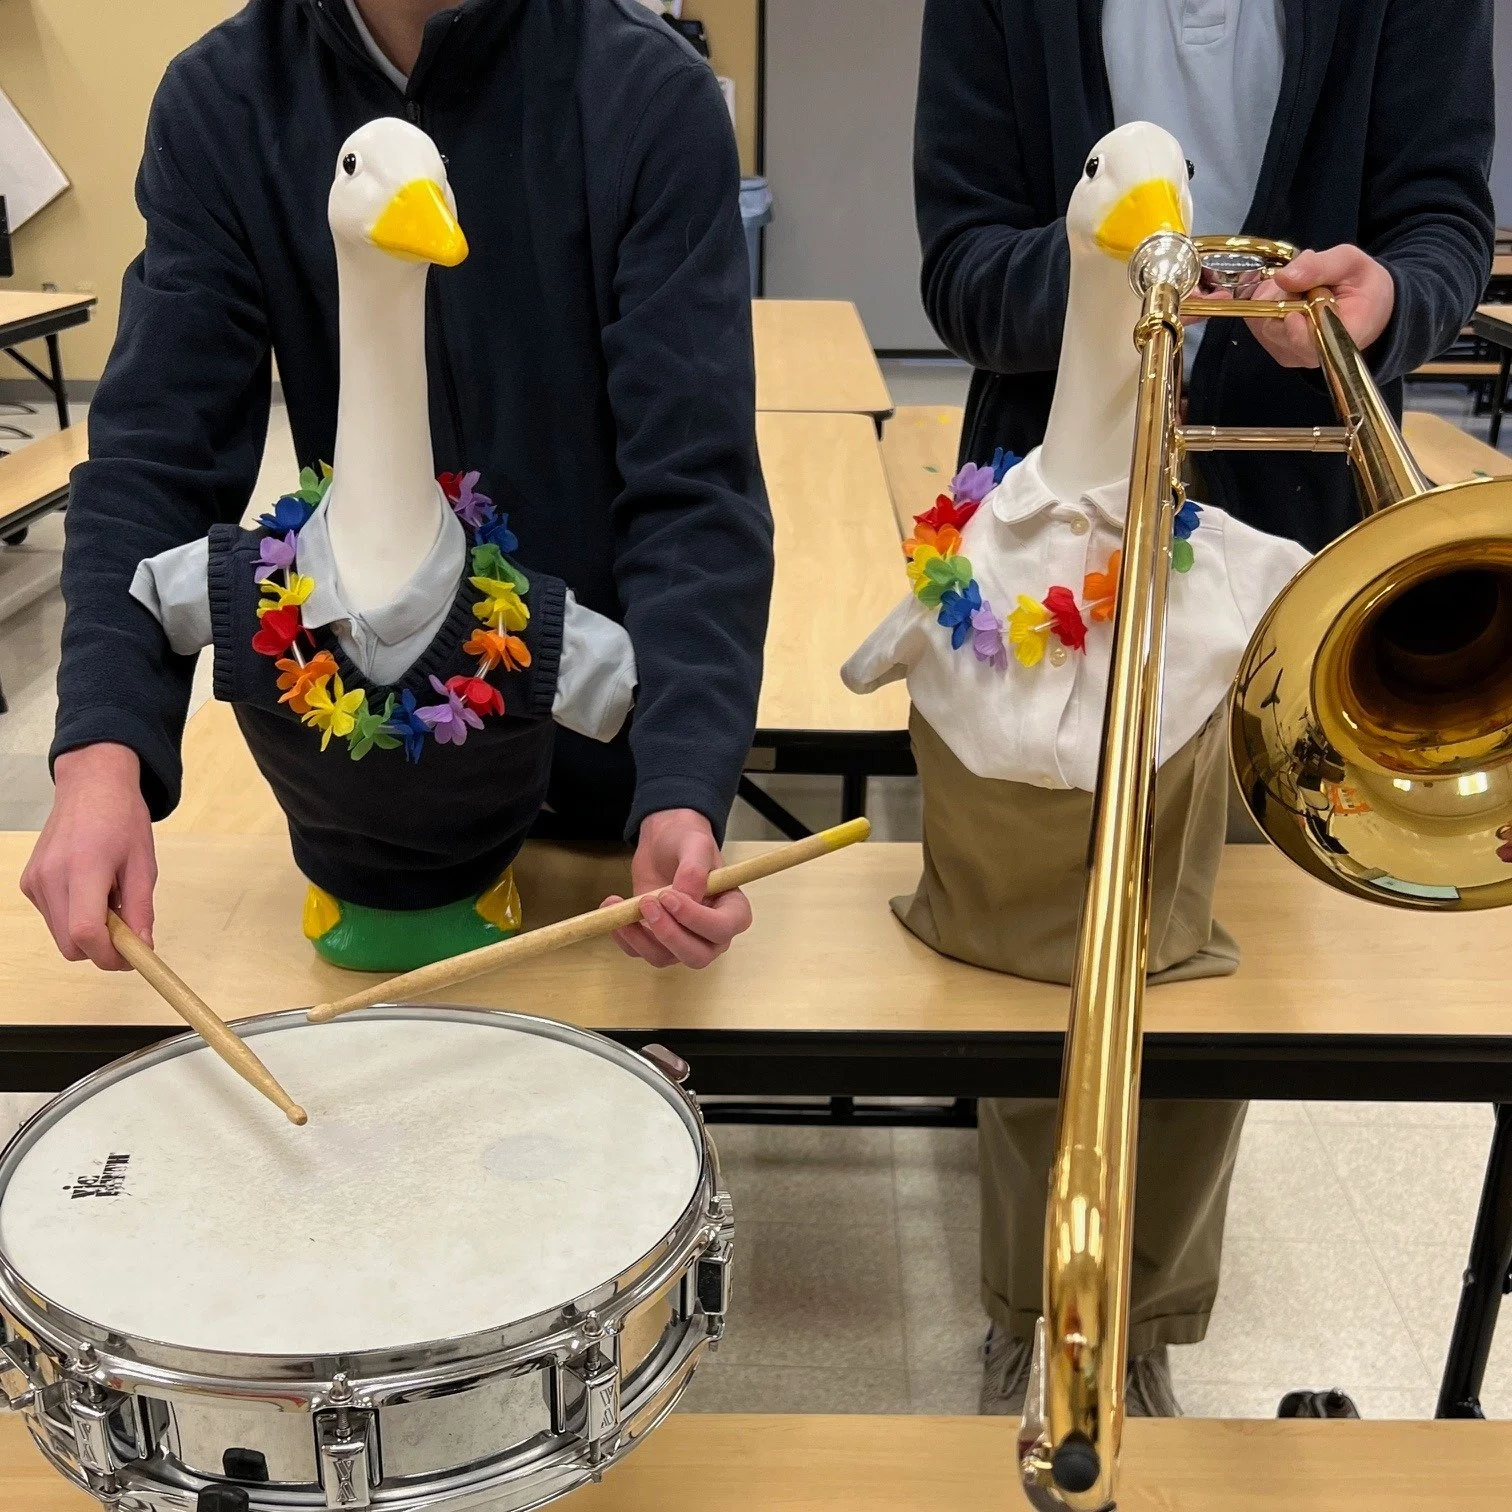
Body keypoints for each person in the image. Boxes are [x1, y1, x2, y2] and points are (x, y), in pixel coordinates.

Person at [913, 0, 1495, 1415]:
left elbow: (1442, 218)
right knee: (1037, 934)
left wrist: (1391, 302)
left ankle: (1140, 1318)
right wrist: (1116, 286)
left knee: (1198, 944)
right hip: (1051, 502)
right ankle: (1028, 1304)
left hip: (1294, 512)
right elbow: (958, 260)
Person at [22, 0, 774, 975]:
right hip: (375, 805)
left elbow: (692, 484)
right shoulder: (227, 101)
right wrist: (101, 744)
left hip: (612, 805)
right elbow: (154, 449)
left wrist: (683, 781)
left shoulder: (646, 94)